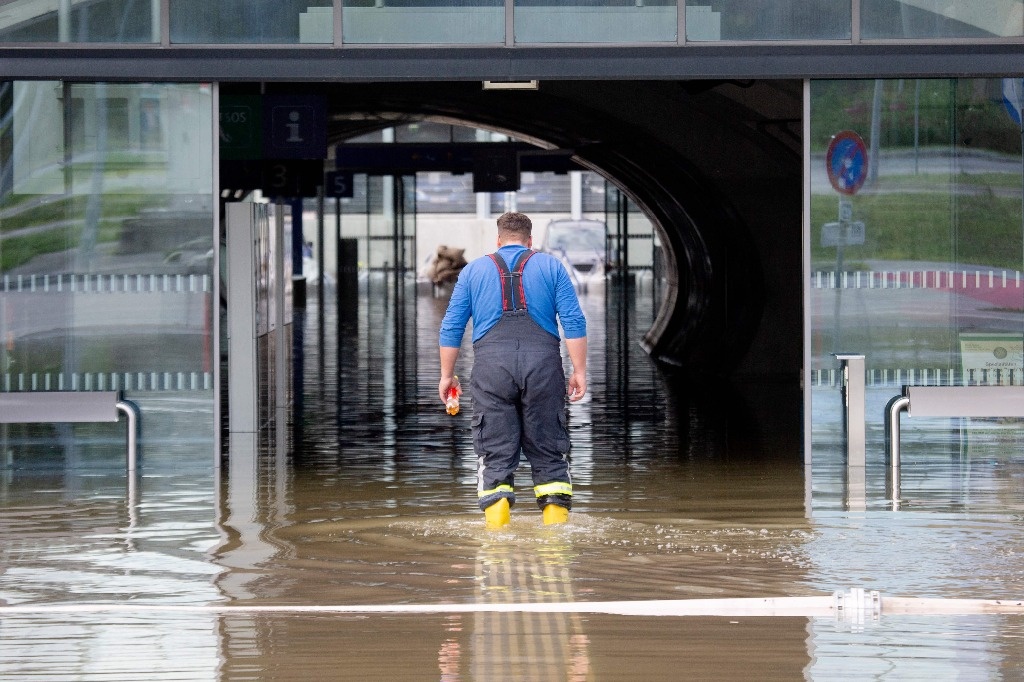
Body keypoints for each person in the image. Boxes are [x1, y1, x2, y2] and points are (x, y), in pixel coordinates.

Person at [438, 211, 588, 528]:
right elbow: (573, 322)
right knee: (548, 451)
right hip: (543, 366)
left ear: (498, 239)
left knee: (494, 453)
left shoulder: (473, 271)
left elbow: (451, 327)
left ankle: (496, 541)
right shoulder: (551, 266)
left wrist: (447, 376)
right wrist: (579, 370)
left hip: (492, 368)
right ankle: (555, 540)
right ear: (529, 240)